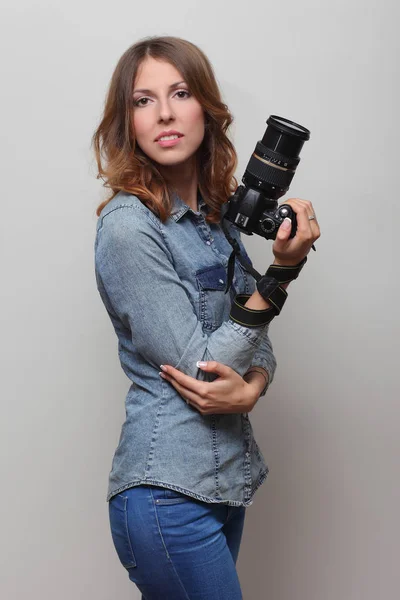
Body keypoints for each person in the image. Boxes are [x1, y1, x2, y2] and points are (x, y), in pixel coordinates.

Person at [92, 35, 320, 600]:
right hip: (167, 490)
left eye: (181, 92)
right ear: (128, 124)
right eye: (143, 101)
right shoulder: (129, 228)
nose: (165, 112)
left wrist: (254, 388)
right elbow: (208, 365)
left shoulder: (215, 221)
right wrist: (280, 276)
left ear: (207, 111)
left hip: (220, 485)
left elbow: (253, 345)